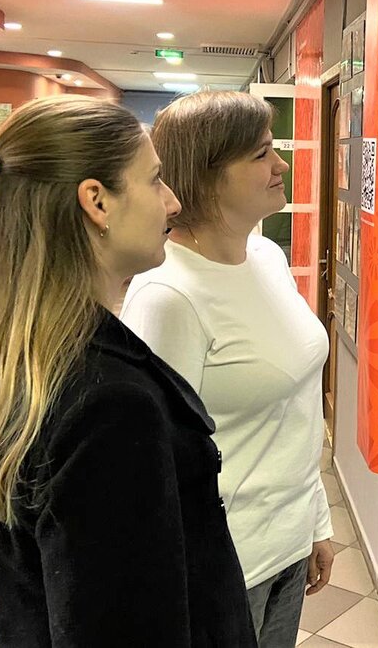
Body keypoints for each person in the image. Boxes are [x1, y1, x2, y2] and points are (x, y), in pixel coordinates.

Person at [0, 95, 255, 646]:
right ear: (97, 202)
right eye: (154, 180)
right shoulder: (108, 405)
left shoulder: (21, 357)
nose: (172, 202)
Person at [121, 91, 334, 648]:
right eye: (262, 153)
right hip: (223, 565)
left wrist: (315, 521)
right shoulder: (168, 295)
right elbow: (155, 462)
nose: (281, 164)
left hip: (288, 546)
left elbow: (295, 407)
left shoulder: (267, 257)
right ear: (207, 174)